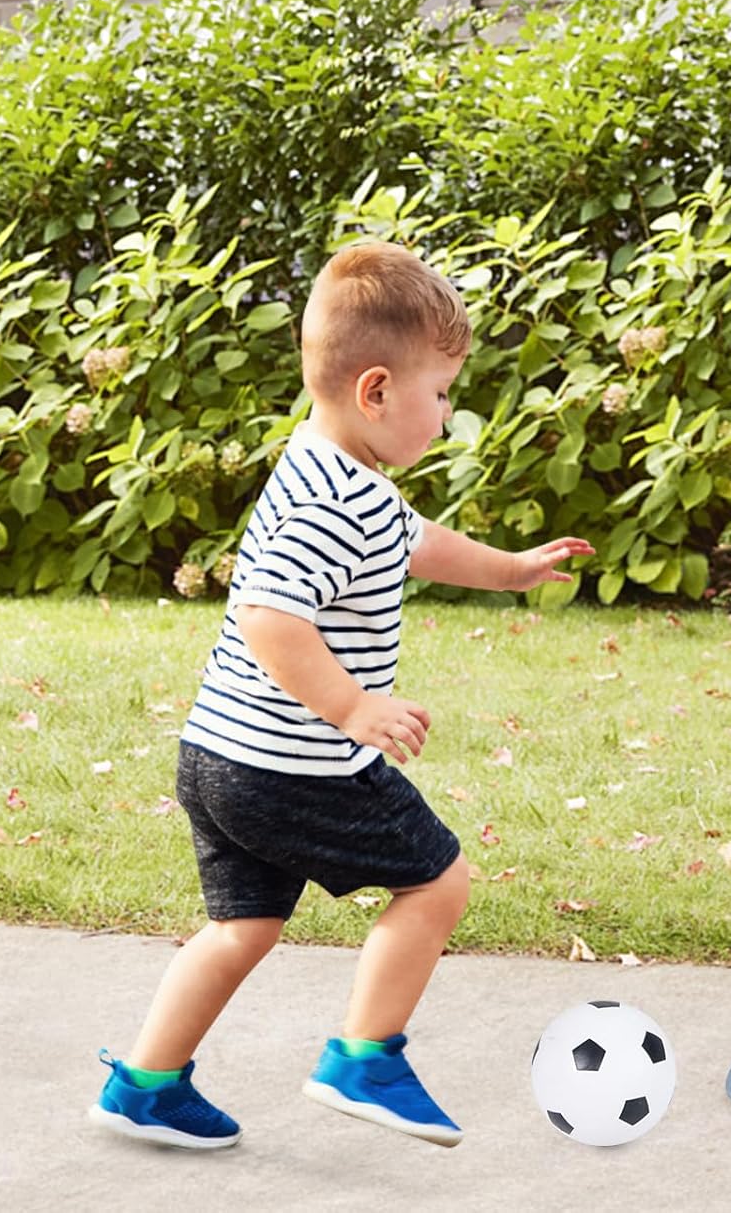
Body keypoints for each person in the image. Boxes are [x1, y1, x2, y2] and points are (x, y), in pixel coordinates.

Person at [88, 240, 593, 1151]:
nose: (446, 416)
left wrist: (515, 570)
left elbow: (419, 543)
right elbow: (269, 614)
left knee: (241, 927)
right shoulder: (341, 501)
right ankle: (364, 1060)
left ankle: (147, 1085)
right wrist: (353, 710)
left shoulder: (325, 466)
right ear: (375, 392)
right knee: (438, 882)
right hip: (294, 766)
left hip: (218, 758)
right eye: (440, 394)